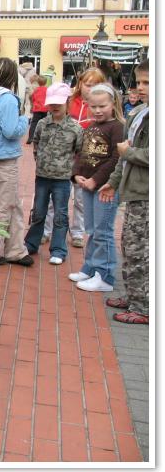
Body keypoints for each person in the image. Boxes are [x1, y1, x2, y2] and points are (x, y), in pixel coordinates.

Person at [99, 60, 149, 325]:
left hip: (148, 194)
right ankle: (134, 296)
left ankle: (144, 306)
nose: (141, 88)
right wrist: (114, 181)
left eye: (148, 83)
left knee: (141, 252)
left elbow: (136, 153)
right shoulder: (140, 112)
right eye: (139, 82)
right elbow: (124, 157)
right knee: (129, 247)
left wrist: (128, 152)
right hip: (134, 191)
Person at [68, 83, 124, 291]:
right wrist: (77, 175)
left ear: (112, 104)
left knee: (103, 231)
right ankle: (90, 267)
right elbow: (82, 154)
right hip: (88, 185)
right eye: (94, 107)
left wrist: (96, 180)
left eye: (102, 106)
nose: (98, 110)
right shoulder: (91, 127)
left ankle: (105, 275)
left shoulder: (117, 127)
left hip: (104, 187)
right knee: (91, 229)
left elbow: (116, 158)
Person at [41, 68, 105, 245]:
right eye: (87, 84)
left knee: (80, 199)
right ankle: (46, 230)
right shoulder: (70, 101)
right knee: (54, 198)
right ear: (80, 83)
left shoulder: (101, 105)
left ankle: (77, 232)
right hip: (63, 157)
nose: (90, 88)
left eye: (95, 85)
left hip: (85, 159)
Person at [23, 83, 83, 265]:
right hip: (42, 177)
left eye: (59, 103)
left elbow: (79, 152)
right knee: (39, 212)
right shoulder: (42, 124)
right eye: (52, 103)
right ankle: (31, 244)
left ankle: (58, 249)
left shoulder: (75, 128)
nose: (55, 107)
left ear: (67, 102)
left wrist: (71, 171)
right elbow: (37, 145)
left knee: (60, 214)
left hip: (62, 179)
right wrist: (41, 162)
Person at [0, 57, 32, 266]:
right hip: (5, 156)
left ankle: (16, 249)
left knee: (12, 204)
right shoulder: (9, 99)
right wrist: (24, 119)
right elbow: (11, 131)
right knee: (3, 206)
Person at [26, 75, 49, 144]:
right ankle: (43, 138)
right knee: (45, 124)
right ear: (45, 82)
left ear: (38, 82)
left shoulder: (36, 90)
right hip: (45, 109)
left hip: (37, 109)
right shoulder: (47, 90)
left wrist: (32, 105)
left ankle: (30, 137)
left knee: (34, 123)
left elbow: (32, 98)